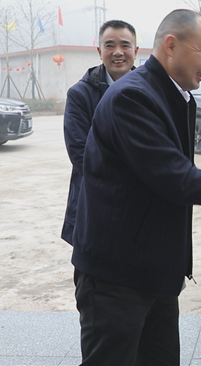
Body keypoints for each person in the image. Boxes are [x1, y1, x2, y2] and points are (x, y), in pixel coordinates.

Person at [71, 9, 201, 366]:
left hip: (155, 270)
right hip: (117, 274)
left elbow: (176, 176)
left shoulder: (175, 95)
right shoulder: (133, 97)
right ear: (171, 45)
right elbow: (174, 177)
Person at [61, 19, 138, 245]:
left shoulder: (152, 92)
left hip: (139, 204)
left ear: (135, 51)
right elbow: (80, 154)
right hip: (94, 201)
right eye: (109, 45)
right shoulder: (80, 95)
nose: (118, 52)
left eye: (125, 45)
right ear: (99, 51)